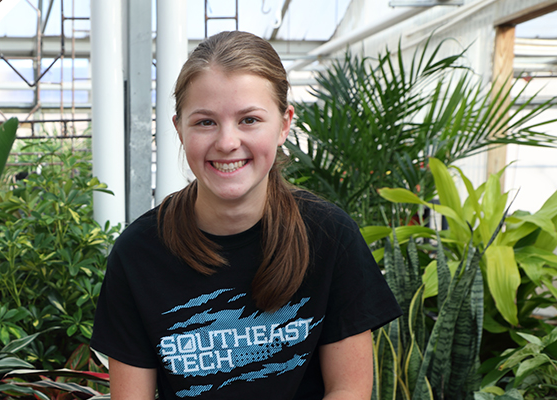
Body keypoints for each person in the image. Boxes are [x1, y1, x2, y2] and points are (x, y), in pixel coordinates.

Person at [90, 31, 401, 400]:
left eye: (249, 120)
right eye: (205, 122)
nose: (226, 142)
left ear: (284, 124)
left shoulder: (330, 236)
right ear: (179, 129)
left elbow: (348, 390)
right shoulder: (139, 253)